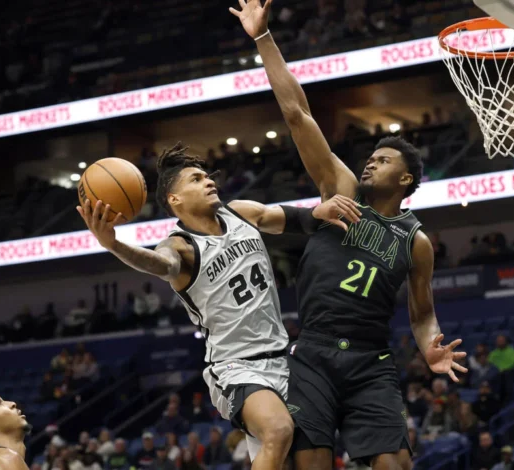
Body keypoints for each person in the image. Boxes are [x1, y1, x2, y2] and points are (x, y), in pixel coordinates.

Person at [231, 3, 466, 470]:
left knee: (396, 465)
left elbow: (422, 312)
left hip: (370, 362)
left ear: (406, 180)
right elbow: (297, 113)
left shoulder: (416, 241)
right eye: (371, 158)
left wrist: (430, 345)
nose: (370, 162)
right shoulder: (342, 192)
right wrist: (263, 38)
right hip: (313, 354)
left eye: (384, 160)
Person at [78, 143, 358, 469]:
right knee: (278, 430)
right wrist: (113, 244)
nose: (209, 181)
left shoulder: (240, 212)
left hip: (284, 359)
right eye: (196, 179)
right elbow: (159, 264)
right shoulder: (179, 246)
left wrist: (318, 212)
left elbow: (292, 218)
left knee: (316, 458)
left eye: (208, 176)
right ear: (174, 199)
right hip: (236, 368)